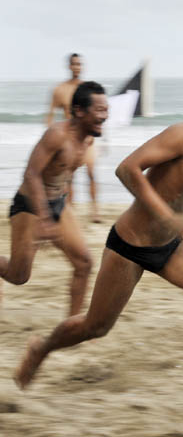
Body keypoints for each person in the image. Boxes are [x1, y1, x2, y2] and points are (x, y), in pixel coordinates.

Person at [14, 70, 183, 424]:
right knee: (95, 327)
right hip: (130, 244)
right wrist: (171, 218)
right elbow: (128, 169)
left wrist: (180, 223)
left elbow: (181, 191)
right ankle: (41, 348)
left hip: (170, 246)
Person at [1, 81, 106, 316]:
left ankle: (72, 326)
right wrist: (44, 217)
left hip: (58, 203)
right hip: (29, 207)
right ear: (79, 111)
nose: (104, 116)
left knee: (84, 263)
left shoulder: (89, 138)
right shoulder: (57, 135)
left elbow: (64, 174)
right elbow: (31, 174)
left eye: (106, 110)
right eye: (99, 110)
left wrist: (64, 206)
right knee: (19, 276)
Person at [47, 53, 100, 223]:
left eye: (80, 64)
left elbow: (97, 112)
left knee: (91, 173)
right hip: (70, 139)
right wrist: (52, 138)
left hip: (88, 137)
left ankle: (95, 211)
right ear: (69, 66)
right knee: (69, 177)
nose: (77, 67)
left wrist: (96, 134)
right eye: (74, 64)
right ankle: (70, 210)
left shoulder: (87, 89)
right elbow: (50, 116)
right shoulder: (60, 90)